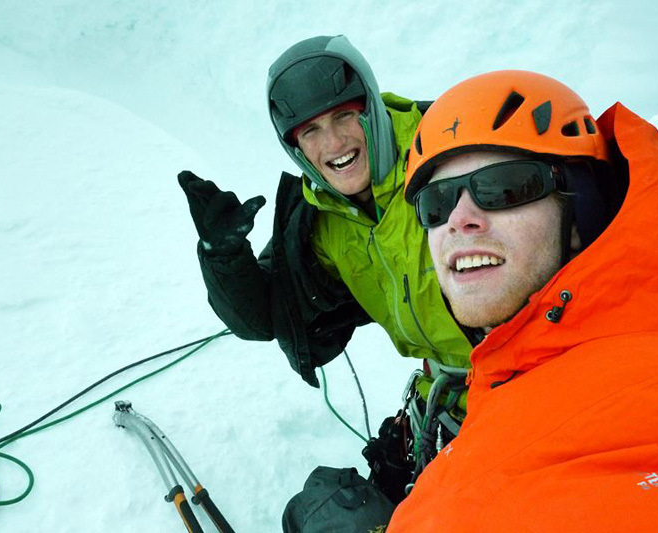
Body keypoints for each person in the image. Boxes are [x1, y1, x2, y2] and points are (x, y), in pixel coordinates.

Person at [386, 70, 658, 531]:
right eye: (437, 202)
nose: (459, 219)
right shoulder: (527, 362)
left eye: (504, 187)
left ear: (578, 212)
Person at [177, 36, 473, 499]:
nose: (333, 143)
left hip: (537, 387)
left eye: (343, 115)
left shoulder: (458, 150)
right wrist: (223, 255)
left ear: (370, 107)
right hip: (447, 399)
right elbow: (266, 317)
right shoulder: (318, 219)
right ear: (293, 145)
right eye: (309, 131)